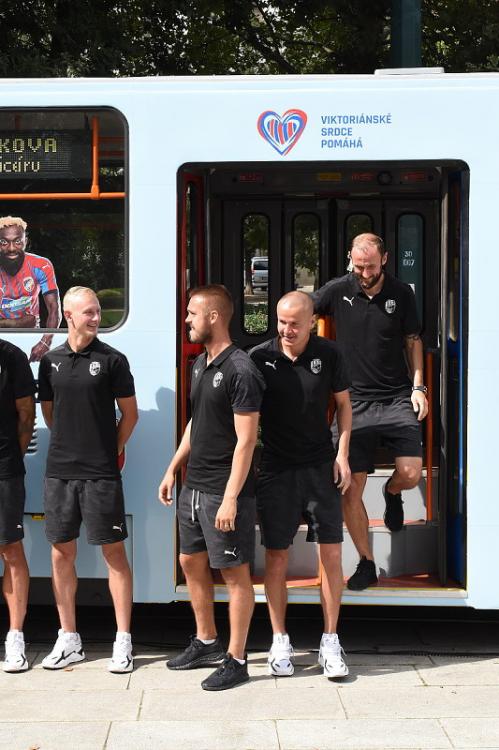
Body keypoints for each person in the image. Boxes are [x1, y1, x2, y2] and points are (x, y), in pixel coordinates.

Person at [159, 284, 265, 691]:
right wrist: (173, 468)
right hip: (194, 487)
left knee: (234, 575)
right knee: (190, 564)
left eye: (191, 313)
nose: (186, 320)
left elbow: (246, 440)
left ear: (214, 317)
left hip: (224, 491)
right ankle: (206, 642)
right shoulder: (201, 364)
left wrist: (232, 498)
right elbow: (196, 423)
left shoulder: (241, 369)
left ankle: (236, 660)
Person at [313, 233, 428, 591]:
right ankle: (366, 562)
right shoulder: (337, 289)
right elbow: (303, 312)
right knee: (349, 488)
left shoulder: (401, 293)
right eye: (359, 266)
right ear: (351, 259)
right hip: (354, 403)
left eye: (371, 266)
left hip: (395, 397)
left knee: (410, 473)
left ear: (386, 260)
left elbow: (413, 340)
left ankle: (392, 493)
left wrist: (419, 387)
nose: (364, 273)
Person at [250, 291, 351, 678]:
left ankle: (330, 641)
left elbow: (344, 406)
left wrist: (342, 454)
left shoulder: (330, 354)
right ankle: (280, 639)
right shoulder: (260, 358)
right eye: (281, 322)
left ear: (312, 322)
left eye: (295, 323)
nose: (287, 330)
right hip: (276, 468)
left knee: (332, 557)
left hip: (320, 467)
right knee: (276, 556)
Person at [38, 286, 138, 672]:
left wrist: (109, 451)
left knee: (114, 554)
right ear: (69, 315)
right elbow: (50, 414)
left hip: (101, 475)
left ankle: (123, 641)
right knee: (61, 553)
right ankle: (69, 639)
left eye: (98, 311)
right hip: (59, 472)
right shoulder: (50, 361)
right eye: (89, 312)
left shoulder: (113, 360)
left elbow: (130, 416)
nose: (96, 318)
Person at [0, 338, 35, 672]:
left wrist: (13, 459)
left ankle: (15, 637)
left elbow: (27, 416)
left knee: (11, 550)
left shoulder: (10, 357)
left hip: (4, 470)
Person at [0, 216, 61, 362]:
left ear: (25, 242)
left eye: (17, 241)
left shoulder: (41, 265)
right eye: (3, 242)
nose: (12, 248)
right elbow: (28, 320)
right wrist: (13, 323)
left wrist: (45, 342)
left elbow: (54, 309)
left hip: (31, 336)